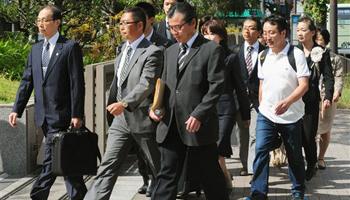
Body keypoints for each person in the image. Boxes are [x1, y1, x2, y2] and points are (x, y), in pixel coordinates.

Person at [149, 2, 229, 200]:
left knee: (209, 175)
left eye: (178, 27)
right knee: (166, 174)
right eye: (171, 27)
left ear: (192, 23)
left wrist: (199, 113)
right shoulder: (170, 51)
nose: (174, 32)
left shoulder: (210, 50)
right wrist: (156, 107)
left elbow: (216, 86)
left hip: (197, 126)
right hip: (170, 124)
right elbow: (164, 86)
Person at [8, 5, 87, 200]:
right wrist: (16, 109)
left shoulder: (69, 47)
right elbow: (28, 81)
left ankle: (37, 194)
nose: (40, 24)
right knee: (65, 158)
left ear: (57, 22)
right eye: (38, 20)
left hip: (63, 114)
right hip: (43, 115)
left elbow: (77, 84)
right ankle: (79, 194)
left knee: (52, 156)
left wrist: (77, 113)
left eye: (45, 20)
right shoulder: (35, 50)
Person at [84, 7, 162, 200]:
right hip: (120, 120)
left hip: (142, 118)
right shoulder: (122, 49)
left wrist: (125, 103)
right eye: (120, 23)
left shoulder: (152, 51)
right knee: (107, 166)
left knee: (158, 168)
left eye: (125, 23)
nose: (121, 27)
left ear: (140, 25)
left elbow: (147, 83)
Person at [246, 15, 310, 200]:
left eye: (272, 32)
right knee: (260, 151)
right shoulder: (263, 55)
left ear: (283, 33)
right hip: (266, 114)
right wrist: (261, 107)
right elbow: (262, 85)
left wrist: (288, 102)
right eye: (265, 33)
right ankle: (258, 193)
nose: (267, 37)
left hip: (291, 115)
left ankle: (298, 192)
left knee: (294, 155)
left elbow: (304, 84)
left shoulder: (295, 54)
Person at [201, 19, 251, 189]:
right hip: (204, 110)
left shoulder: (230, 57)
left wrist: (245, 114)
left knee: (218, 147)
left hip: (225, 109)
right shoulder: (198, 55)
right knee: (210, 150)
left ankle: (223, 181)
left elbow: (240, 86)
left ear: (221, 36)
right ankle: (224, 178)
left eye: (211, 33)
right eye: (205, 33)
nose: (208, 36)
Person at [134, 2, 171, 197]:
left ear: (149, 20)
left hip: (156, 103)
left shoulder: (164, 43)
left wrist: (159, 104)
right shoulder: (128, 44)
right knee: (140, 149)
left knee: (155, 147)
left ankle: (158, 182)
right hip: (134, 104)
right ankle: (146, 179)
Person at [296, 16, 334, 181]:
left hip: (311, 100)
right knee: (294, 136)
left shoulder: (321, 52)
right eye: (298, 30)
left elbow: (328, 76)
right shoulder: (293, 51)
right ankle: (296, 166)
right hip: (293, 100)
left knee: (308, 136)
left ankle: (311, 164)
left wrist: (328, 97)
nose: (300, 33)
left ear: (312, 32)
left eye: (303, 30)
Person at [234, 17, 266, 176]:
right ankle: (244, 164)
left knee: (255, 134)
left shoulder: (266, 52)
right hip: (240, 101)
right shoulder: (235, 51)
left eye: (252, 28)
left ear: (259, 32)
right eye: (245, 27)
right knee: (242, 136)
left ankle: (255, 170)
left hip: (258, 101)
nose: (247, 30)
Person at [315, 29, 344, 170]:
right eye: (315, 39)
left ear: (326, 41)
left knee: (325, 130)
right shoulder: (308, 55)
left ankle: (321, 157)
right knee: (309, 129)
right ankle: (309, 157)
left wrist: (336, 92)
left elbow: (338, 77)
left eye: (319, 39)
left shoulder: (335, 58)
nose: (317, 42)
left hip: (328, 98)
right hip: (310, 97)